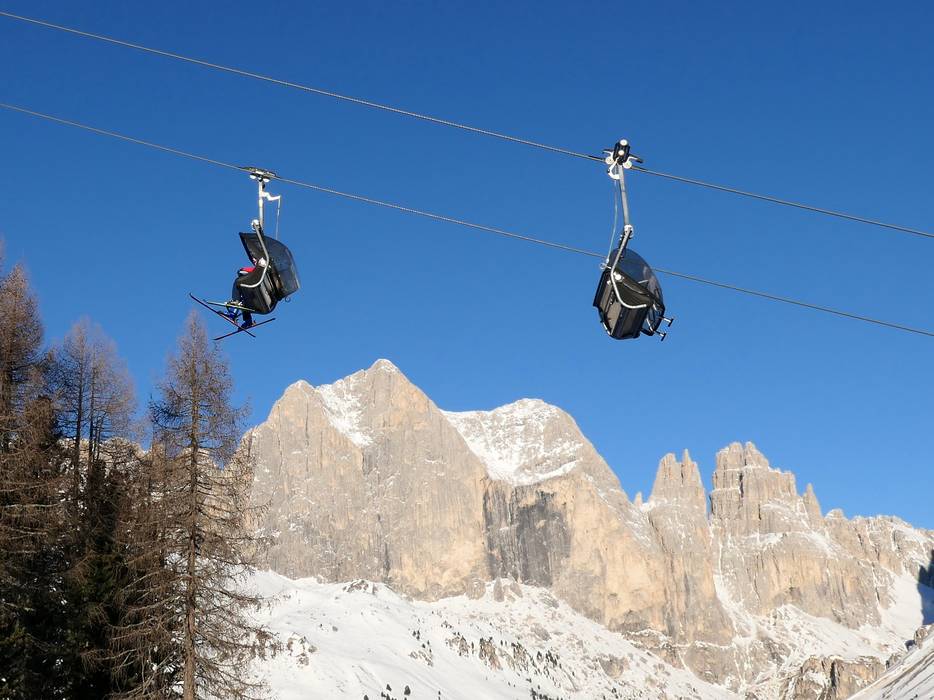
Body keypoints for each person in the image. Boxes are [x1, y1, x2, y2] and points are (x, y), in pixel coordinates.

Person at [227, 257, 266, 329]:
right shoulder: (266, 274)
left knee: (237, 282)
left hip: (256, 294)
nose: (254, 261)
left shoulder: (259, 270)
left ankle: (232, 313)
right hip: (259, 298)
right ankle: (248, 321)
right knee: (244, 301)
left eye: (255, 260)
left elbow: (241, 271)